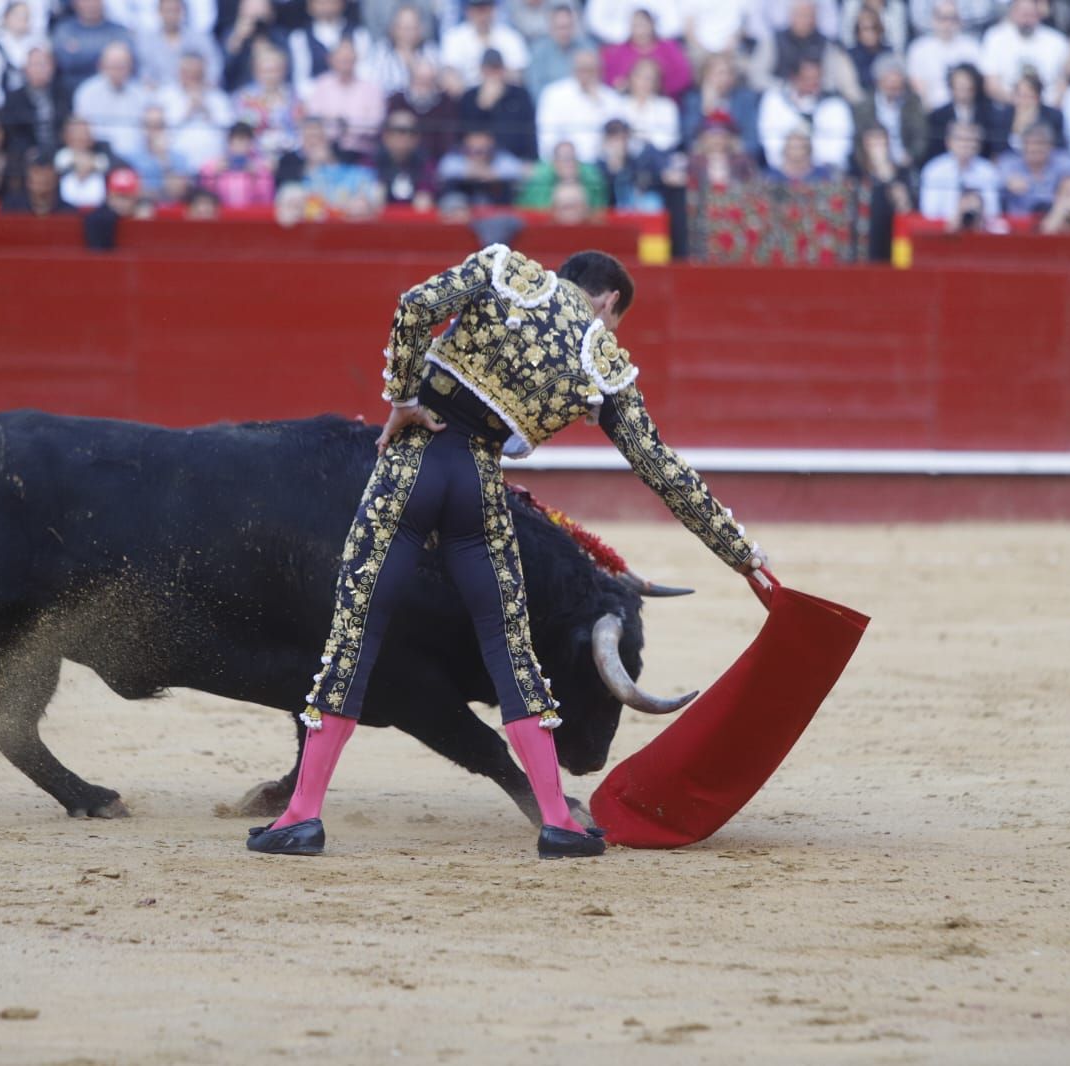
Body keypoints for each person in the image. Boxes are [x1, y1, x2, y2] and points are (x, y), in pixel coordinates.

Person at [244, 247, 765, 859]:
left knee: (354, 634)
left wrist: (403, 399)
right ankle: (559, 823)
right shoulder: (602, 358)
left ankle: (302, 815)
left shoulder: (502, 269)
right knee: (511, 651)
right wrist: (743, 556)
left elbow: (413, 308)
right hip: (478, 488)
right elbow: (663, 468)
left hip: (412, 467)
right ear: (609, 301)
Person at [759, 56, 856, 172]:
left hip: (825, 173)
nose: (813, 84)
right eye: (807, 79)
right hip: (783, 172)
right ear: (794, 78)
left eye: (817, 79)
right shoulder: (774, 101)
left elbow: (841, 147)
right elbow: (770, 143)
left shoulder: (836, 106)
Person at [535, 47, 623, 163]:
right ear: (573, 70)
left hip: (602, 164)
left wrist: (598, 103)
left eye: (591, 70)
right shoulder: (554, 94)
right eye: (582, 69)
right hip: (563, 163)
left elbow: (615, 133)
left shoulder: (611, 98)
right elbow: (547, 136)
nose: (587, 75)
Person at [304, 35, 388, 157]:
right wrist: (338, 130)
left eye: (348, 58)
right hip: (327, 152)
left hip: (362, 152)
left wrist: (346, 126)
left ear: (356, 59)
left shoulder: (372, 90)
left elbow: (375, 125)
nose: (345, 62)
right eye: (341, 58)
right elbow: (314, 120)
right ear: (330, 59)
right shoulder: (320, 86)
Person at [979, 0, 1069, 105]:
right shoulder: (995, 37)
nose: (1027, 20)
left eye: (1031, 15)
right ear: (1013, 13)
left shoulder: (1057, 41)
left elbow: (1063, 83)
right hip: (1007, 106)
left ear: (1039, 15)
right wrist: (1020, 103)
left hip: (1046, 108)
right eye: (1023, 14)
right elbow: (991, 85)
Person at [74, 40, 149, 163]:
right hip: (99, 155)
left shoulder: (141, 94)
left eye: (122, 66)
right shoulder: (87, 92)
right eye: (113, 66)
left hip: (136, 156)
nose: (118, 72)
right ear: (101, 66)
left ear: (130, 67)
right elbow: (80, 131)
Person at [459, 48, 537, 160]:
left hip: (515, 158)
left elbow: (528, 131)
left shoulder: (520, 95)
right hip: (477, 159)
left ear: (503, 70)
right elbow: (466, 133)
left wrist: (531, 159)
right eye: (488, 69)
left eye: (496, 69)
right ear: (481, 71)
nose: (492, 74)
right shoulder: (469, 97)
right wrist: (483, 106)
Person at [854, 53, 926, 170]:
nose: (893, 89)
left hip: (904, 162)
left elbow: (920, 137)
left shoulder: (913, 103)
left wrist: (911, 156)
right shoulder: (864, 106)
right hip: (872, 163)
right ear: (878, 82)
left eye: (897, 86)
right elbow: (858, 140)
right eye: (889, 84)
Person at [905, 0, 981, 110]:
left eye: (953, 18)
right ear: (933, 19)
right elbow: (918, 89)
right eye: (943, 18)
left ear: (959, 21)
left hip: (966, 110)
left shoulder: (972, 47)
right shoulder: (919, 49)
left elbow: (976, 85)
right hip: (932, 111)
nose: (948, 24)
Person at [601, 8, 692, 98]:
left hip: (664, 100)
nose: (640, 30)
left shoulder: (669, 48)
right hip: (628, 101)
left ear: (652, 25)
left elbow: (683, 76)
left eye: (643, 25)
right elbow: (610, 77)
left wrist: (659, 87)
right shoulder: (619, 51)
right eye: (636, 25)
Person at [50, 0, 131, 100]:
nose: (91, 4)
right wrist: (104, 56)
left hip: (112, 91)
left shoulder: (118, 31)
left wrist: (79, 53)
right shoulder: (64, 29)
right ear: (75, 3)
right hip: (69, 92)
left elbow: (125, 62)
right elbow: (65, 61)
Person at [919, 119, 1001, 217]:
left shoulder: (988, 171)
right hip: (942, 230)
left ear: (979, 145)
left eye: (971, 140)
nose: (965, 144)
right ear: (948, 142)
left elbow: (994, 212)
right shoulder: (934, 170)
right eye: (960, 139)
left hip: (979, 230)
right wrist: (958, 210)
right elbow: (929, 211)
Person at [855, 124, 913, 260]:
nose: (877, 147)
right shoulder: (856, 171)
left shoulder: (901, 173)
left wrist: (886, 173)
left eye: (880, 141)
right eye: (872, 142)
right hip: (865, 240)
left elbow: (905, 208)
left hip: (892, 238)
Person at [442, 0, 530, 88]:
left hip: (504, 94)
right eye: (478, 10)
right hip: (467, 94)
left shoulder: (511, 37)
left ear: (494, 10)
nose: (482, 15)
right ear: (468, 11)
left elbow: (517, 75)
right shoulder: (454, 37)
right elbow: (450, 75)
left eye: (486, 9)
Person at [134, 0, 220, 89]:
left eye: (175, 10)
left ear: (183, 11)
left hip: (196, 90)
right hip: (160, 93)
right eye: (167, 10)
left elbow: (213, 65)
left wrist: (205, 85)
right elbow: (144, 72)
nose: (171, 15)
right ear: (159, 12)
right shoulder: (146, 41)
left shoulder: (200, 38)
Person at [998, 120, 1070, 212]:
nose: (1035, 148)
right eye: (1031, 144)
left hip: (1057, 218)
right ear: (1023, 146)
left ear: (1050, 146)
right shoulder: (1009, 163)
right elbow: (999, 181)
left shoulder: (1065, 163)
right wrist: (1008, 182)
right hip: (1020, 219)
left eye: (1040, 143)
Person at [362, 3, 438, 97]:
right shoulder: (379, 53)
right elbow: (370, 86)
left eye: (413, 28)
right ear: (393, 29)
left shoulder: (431, 52)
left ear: (420, 29)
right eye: (405, 28)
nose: (409, 33)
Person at [199, 120, 276, 206]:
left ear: (251, 144)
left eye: (245, 141)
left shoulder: (261, 168)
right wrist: (214, 174)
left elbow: (266, 199)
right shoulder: (213, 165)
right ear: (229, 142)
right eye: (237, 140)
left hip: (251, 216)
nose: (240, 145)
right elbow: (204, 196)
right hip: (222, 215)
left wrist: (256, 177)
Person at [375, 108, 437, 208]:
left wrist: (425, 195)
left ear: (417, 137)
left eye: (411, 132)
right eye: (398, 131)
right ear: (385, 135)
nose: (404, 138)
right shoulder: (372, 161)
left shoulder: (426, 162)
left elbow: (428, 190)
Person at [526, 1, 587, 99]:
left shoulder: (585, 47)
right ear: (551, 28)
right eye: (560, 28)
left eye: (568, 27)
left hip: (582, 102)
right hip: (550, 106)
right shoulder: (538, 51)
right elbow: (535, 88)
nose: (565, 32)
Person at [1004, 71, 1064, 153]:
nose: (1022, 101)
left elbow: (1059, 146)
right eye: (1019, 95)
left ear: (1038, 98)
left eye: (1028, 96)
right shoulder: (1004, 115)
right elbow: (1000, 148)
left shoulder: (1053, 116)